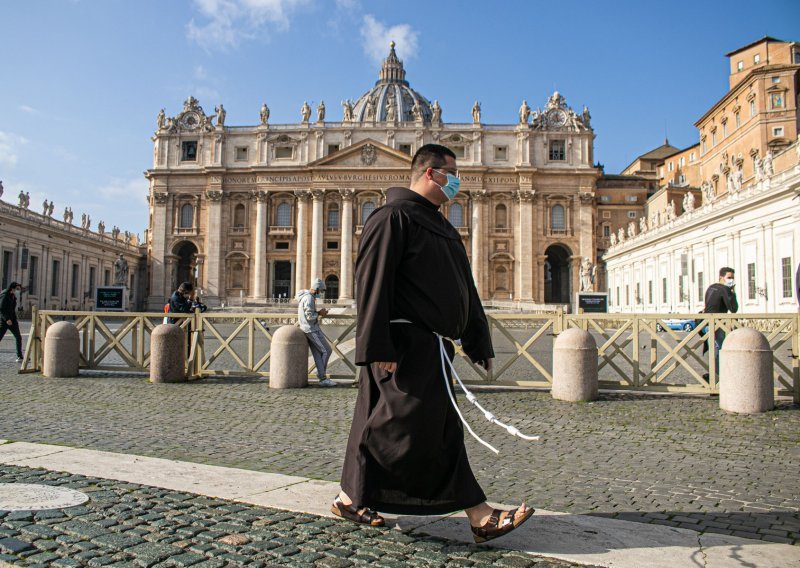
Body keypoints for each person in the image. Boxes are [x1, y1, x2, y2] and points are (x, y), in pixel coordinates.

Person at [332, 144, 533, 543]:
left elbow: (465, 289)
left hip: (432, 346)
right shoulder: (391, 217)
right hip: (400, 345)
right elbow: (371, 284)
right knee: (404, 427)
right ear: (430, 173)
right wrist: (377, 347)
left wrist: (478, 339)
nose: (458, 181)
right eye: (452, 172)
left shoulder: (439, 225)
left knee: (430, 426)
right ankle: (478, 514)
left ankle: (350, 498)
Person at [296, 279, 335, 387]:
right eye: (321, 291)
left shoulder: (308, 297)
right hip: (311, 330)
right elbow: (309, 316)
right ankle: (321, 374)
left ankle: (322, 379)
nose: (321, 293)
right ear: (317, 289)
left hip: (309, 328)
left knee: (318, 354)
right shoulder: (309, 298)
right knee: (327, 350)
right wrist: (320, 313)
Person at [703, 267, 738, 377]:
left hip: (706, 324)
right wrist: (733, 292)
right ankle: (718, 378)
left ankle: (714, 377)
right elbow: (733, 308)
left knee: (714, 351)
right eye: (729, 277)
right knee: (721, 350)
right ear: (721, 277)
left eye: (732, 277)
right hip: (718, 324)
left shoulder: (710, 287)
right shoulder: (725, 289)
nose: (731, 280)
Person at [0, 282, 24, 362]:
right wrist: (7, 319)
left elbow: (12, 309)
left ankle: (20, 356)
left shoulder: (13, 296)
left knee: (18, 337)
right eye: (17, 289)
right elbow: (1, 309)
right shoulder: (4, 295)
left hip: (13, 321)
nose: (18, 291)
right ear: (12, 288)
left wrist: (13, 319)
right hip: (4, 321)